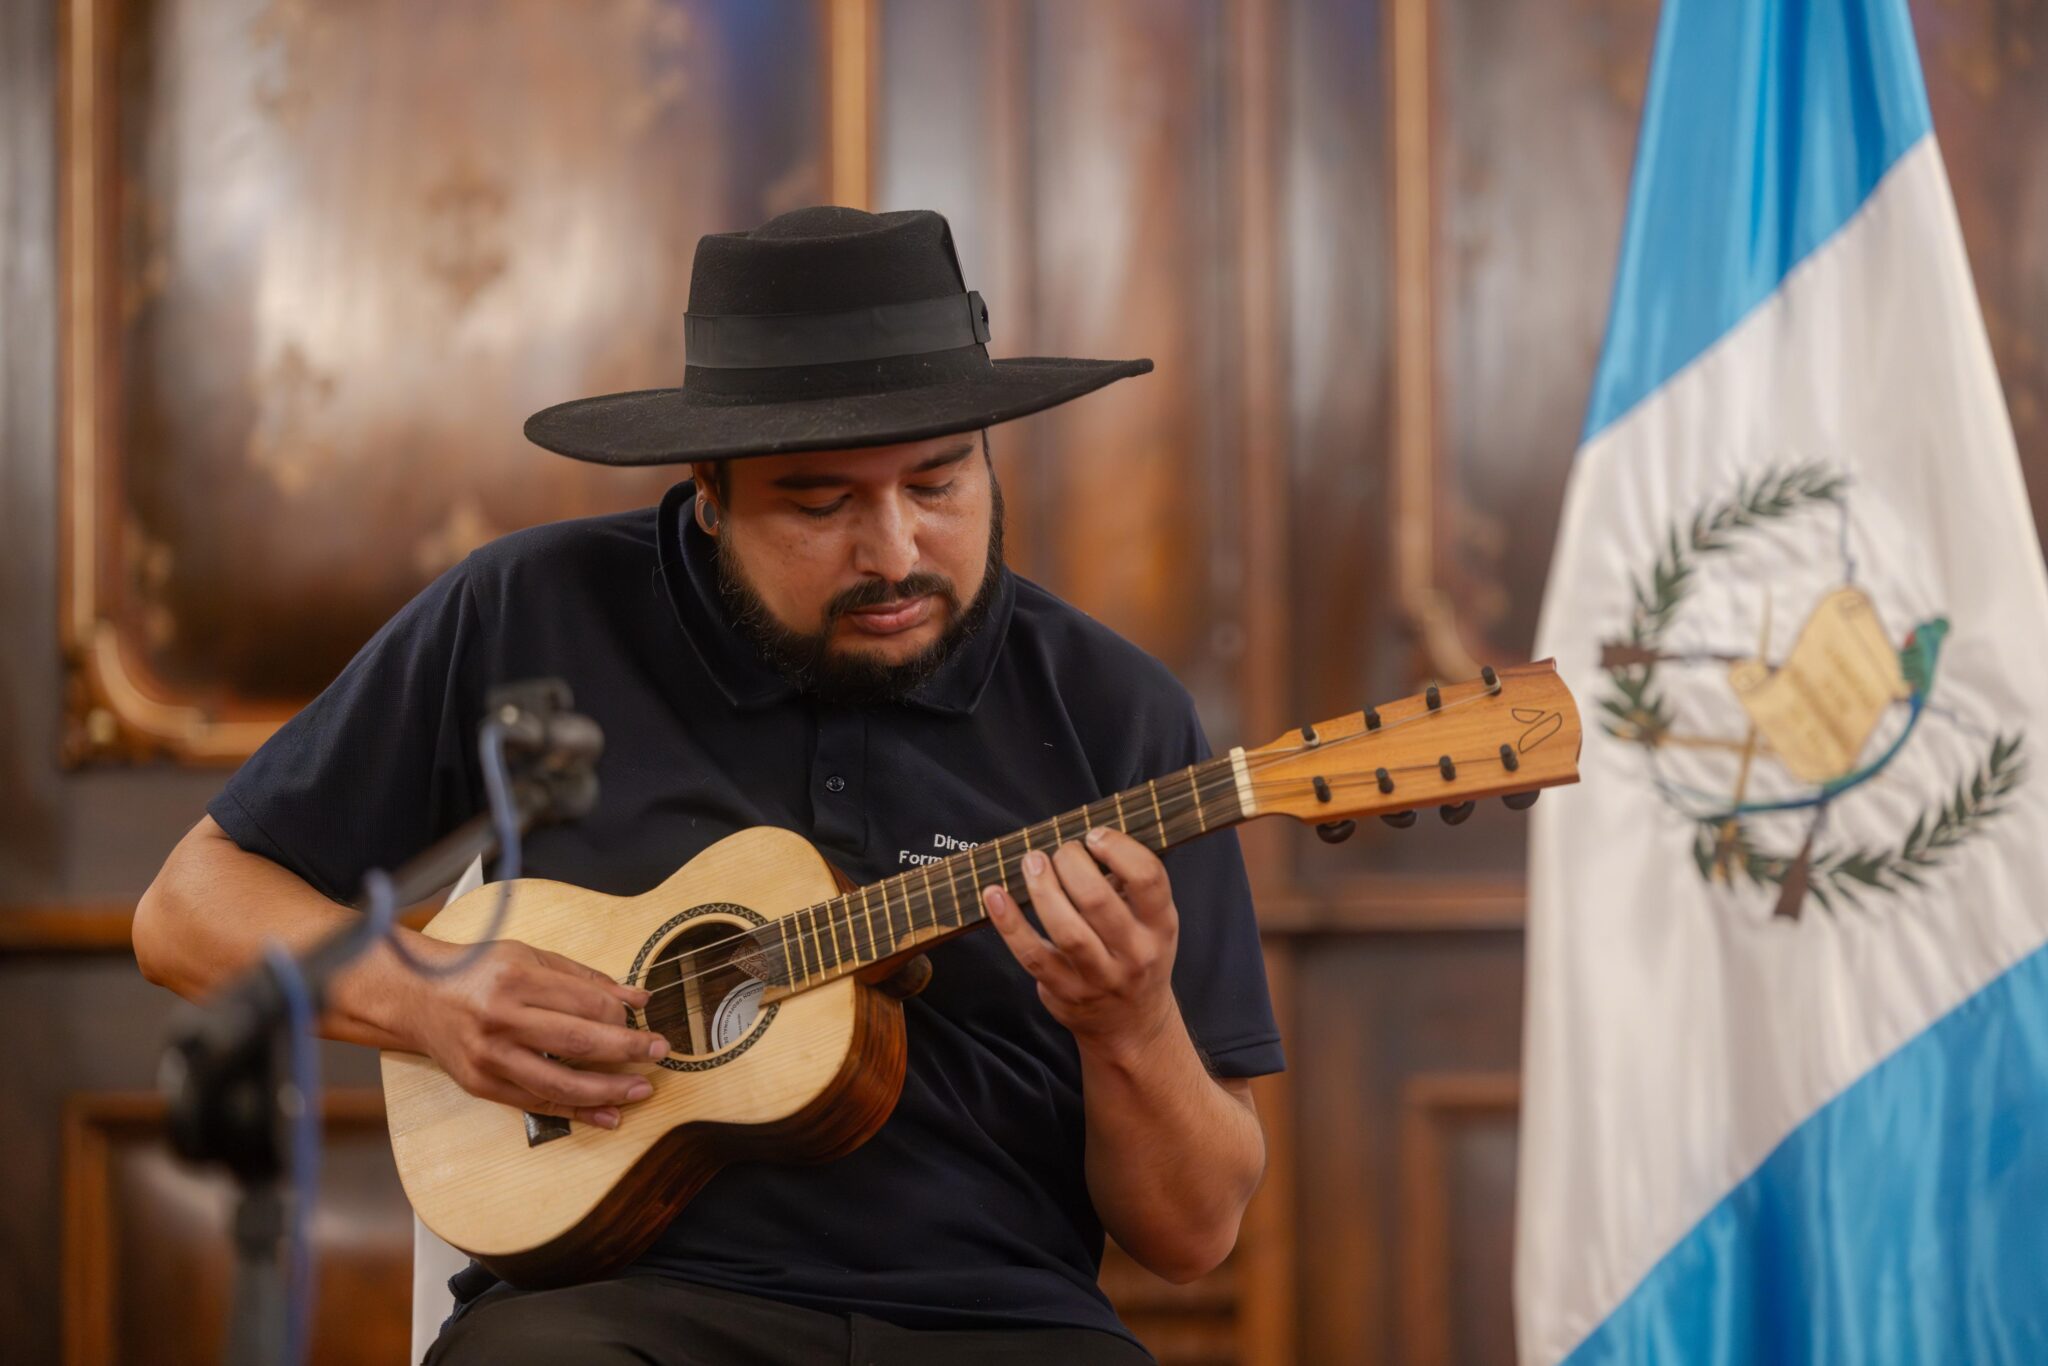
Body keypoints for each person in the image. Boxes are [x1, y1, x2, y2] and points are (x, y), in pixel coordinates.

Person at [134, 206, 1285, 1365]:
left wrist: (1129, 1023)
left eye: (938, 483)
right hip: (614, 1308)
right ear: (709, 490)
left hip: (1001, 1321)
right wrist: (425, 997)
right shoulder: (530, 613)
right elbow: (188, 908)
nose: (893, 552)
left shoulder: (1117, 712)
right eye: (820, 504)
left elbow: (1190, 1235)